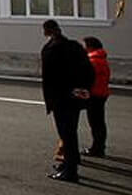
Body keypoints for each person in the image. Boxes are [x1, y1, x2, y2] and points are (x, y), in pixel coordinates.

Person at [41, 19, 95, 183]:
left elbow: (51, 78)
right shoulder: (74, 46)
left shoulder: (52, 49)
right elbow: (89, 70)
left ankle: (70, 170)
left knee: (66, 133)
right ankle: (69, 163)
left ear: (47, 31)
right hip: (74, 97)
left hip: (60, 98)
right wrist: (84, 88)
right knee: (70, 131)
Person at [83, 36, 111, 157]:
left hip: (95, 94)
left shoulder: (93, 61)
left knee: (96, 123)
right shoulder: (101, 59)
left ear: (90, 46)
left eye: (84, 45)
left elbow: (87, 78)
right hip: (101, 92)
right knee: (98, 122)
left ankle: (97, 148)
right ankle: (99, 146)